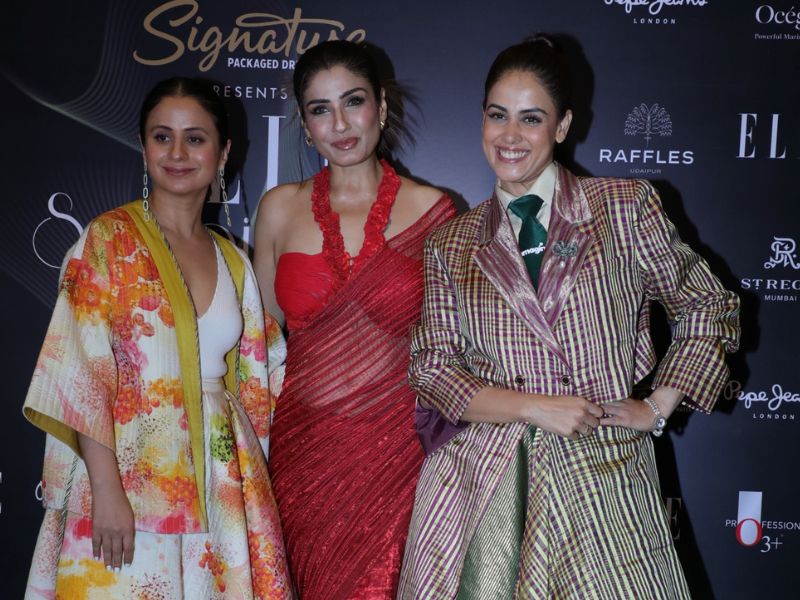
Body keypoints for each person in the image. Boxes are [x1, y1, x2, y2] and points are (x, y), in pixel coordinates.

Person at [398, 36, 741, 599]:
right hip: (488, 486)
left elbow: (708, 305)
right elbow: (432, 368)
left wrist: (657, 407)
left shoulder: (622, 208)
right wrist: (534, 407)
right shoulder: (452, 243)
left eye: (531, 119)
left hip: (604, 480)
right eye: (497, 115)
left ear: (562, 127)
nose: (510, 135)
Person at [23, 77, 291, 599]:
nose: (177, 153)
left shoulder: (233, 259)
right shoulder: (107, 240)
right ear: (143, 147)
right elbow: (81, 375)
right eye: (162, 136)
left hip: (220, 480)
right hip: (125, 478)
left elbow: (262, 376)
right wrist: (106, 491)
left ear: (223, 152)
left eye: (195, 138)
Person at [253, 40, 455, 599]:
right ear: (305, 124)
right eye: (320, 109)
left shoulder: (435, 211)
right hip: (302, 456)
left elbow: (456, 350)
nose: (339, 124)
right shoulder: (278, 209)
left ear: (381, 107)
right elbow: (259, 346)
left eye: (353, 102)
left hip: (399, 459)